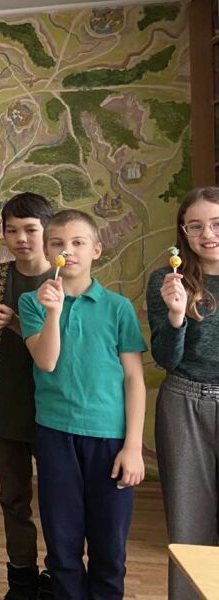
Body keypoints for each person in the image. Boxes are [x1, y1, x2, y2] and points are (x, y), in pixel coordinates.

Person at [20, 209, 146, 600]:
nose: (67, 251)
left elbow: (134, 379)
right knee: (62, 544)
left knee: (109, 547)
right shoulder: (32, 302)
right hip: (55, 434)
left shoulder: (118, 307)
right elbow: (46, 361)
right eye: (57, 243)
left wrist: (133, 447)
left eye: (78, 243)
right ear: (47, 250)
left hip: (110, 438)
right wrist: (54, 312)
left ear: (96, 250)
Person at [0, 193, 54, 599]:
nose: (21, 239)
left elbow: (62, 349)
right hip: (5, 403)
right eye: (12, 231)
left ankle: (58, 574)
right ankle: (21, 579)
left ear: (47, 231)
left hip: (55, 408)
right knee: (13, 498)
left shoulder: (61, 279)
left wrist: (15, 323)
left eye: (30, 230)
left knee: (58, 499)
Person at [146, 187, 219, 600]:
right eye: (196, 226)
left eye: (217, 224)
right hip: (184, 403)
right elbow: (165, 359)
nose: (207, 234)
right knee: (190, 525)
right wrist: (176, 316)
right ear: (183, 232)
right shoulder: (168, 281)